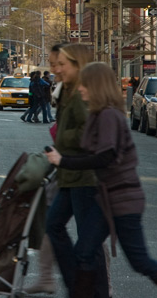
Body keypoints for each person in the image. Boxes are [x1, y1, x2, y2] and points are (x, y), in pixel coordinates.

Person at [46, 62, 157, 298]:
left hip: (123, 199)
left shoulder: (109, 116)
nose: (81, 89)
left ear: (96, 86)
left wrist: (63, 161)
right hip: (106, 198)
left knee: (140, 261)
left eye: (85, 85)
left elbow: (105, 156)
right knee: (84, 252)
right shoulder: (98, 115)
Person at [43, 44, 110, 297]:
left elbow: (88, 134)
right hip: (69, 176)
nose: (56, 69)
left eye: (61, 65)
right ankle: (77, 285)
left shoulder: (82, 93)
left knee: (87, 242)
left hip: (84, 177)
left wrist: (62, 136)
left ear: (77, 65)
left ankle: (89, 290)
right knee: (54, 225)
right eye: (55, 64)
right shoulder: (68, 90)